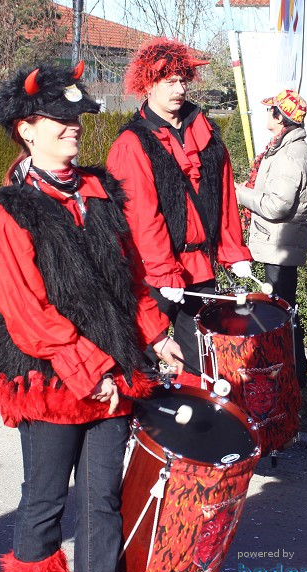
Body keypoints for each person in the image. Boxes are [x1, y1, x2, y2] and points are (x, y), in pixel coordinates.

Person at [0, 62, 183, 572]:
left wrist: (158, 335)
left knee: (101, 501)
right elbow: (25, 310)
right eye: (59, 118)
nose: (73, 126)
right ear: (26, 129)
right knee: (45, 500)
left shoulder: (98, 189)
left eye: (77, 117)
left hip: (116, 369)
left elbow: (131, 277)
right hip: (52, 379)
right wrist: (87, 370)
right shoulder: (9, 211)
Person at [106, 37, 252, 385]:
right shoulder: (133, 142)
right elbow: (142, 217)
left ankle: (195, 432)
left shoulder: (207, 132)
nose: (179, 88)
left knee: (203, 361)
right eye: (168, 80)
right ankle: (132, 431)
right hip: (152, 272)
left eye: (182, 80)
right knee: (139, 355)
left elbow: (224, 199)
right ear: (149, 84)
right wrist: (161, 271)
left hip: (199, 266)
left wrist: (233, 251)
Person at [234, 89, 307, 387]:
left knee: (282, 314)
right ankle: (287, 375)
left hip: (278, 247)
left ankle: (290, 378)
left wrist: (240, 193)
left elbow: (276, 204)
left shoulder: (292, 153)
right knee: (282, 311)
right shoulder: (284, 148)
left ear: (280, 116)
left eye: (270, 109)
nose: (266, 113)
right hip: (275, 245)